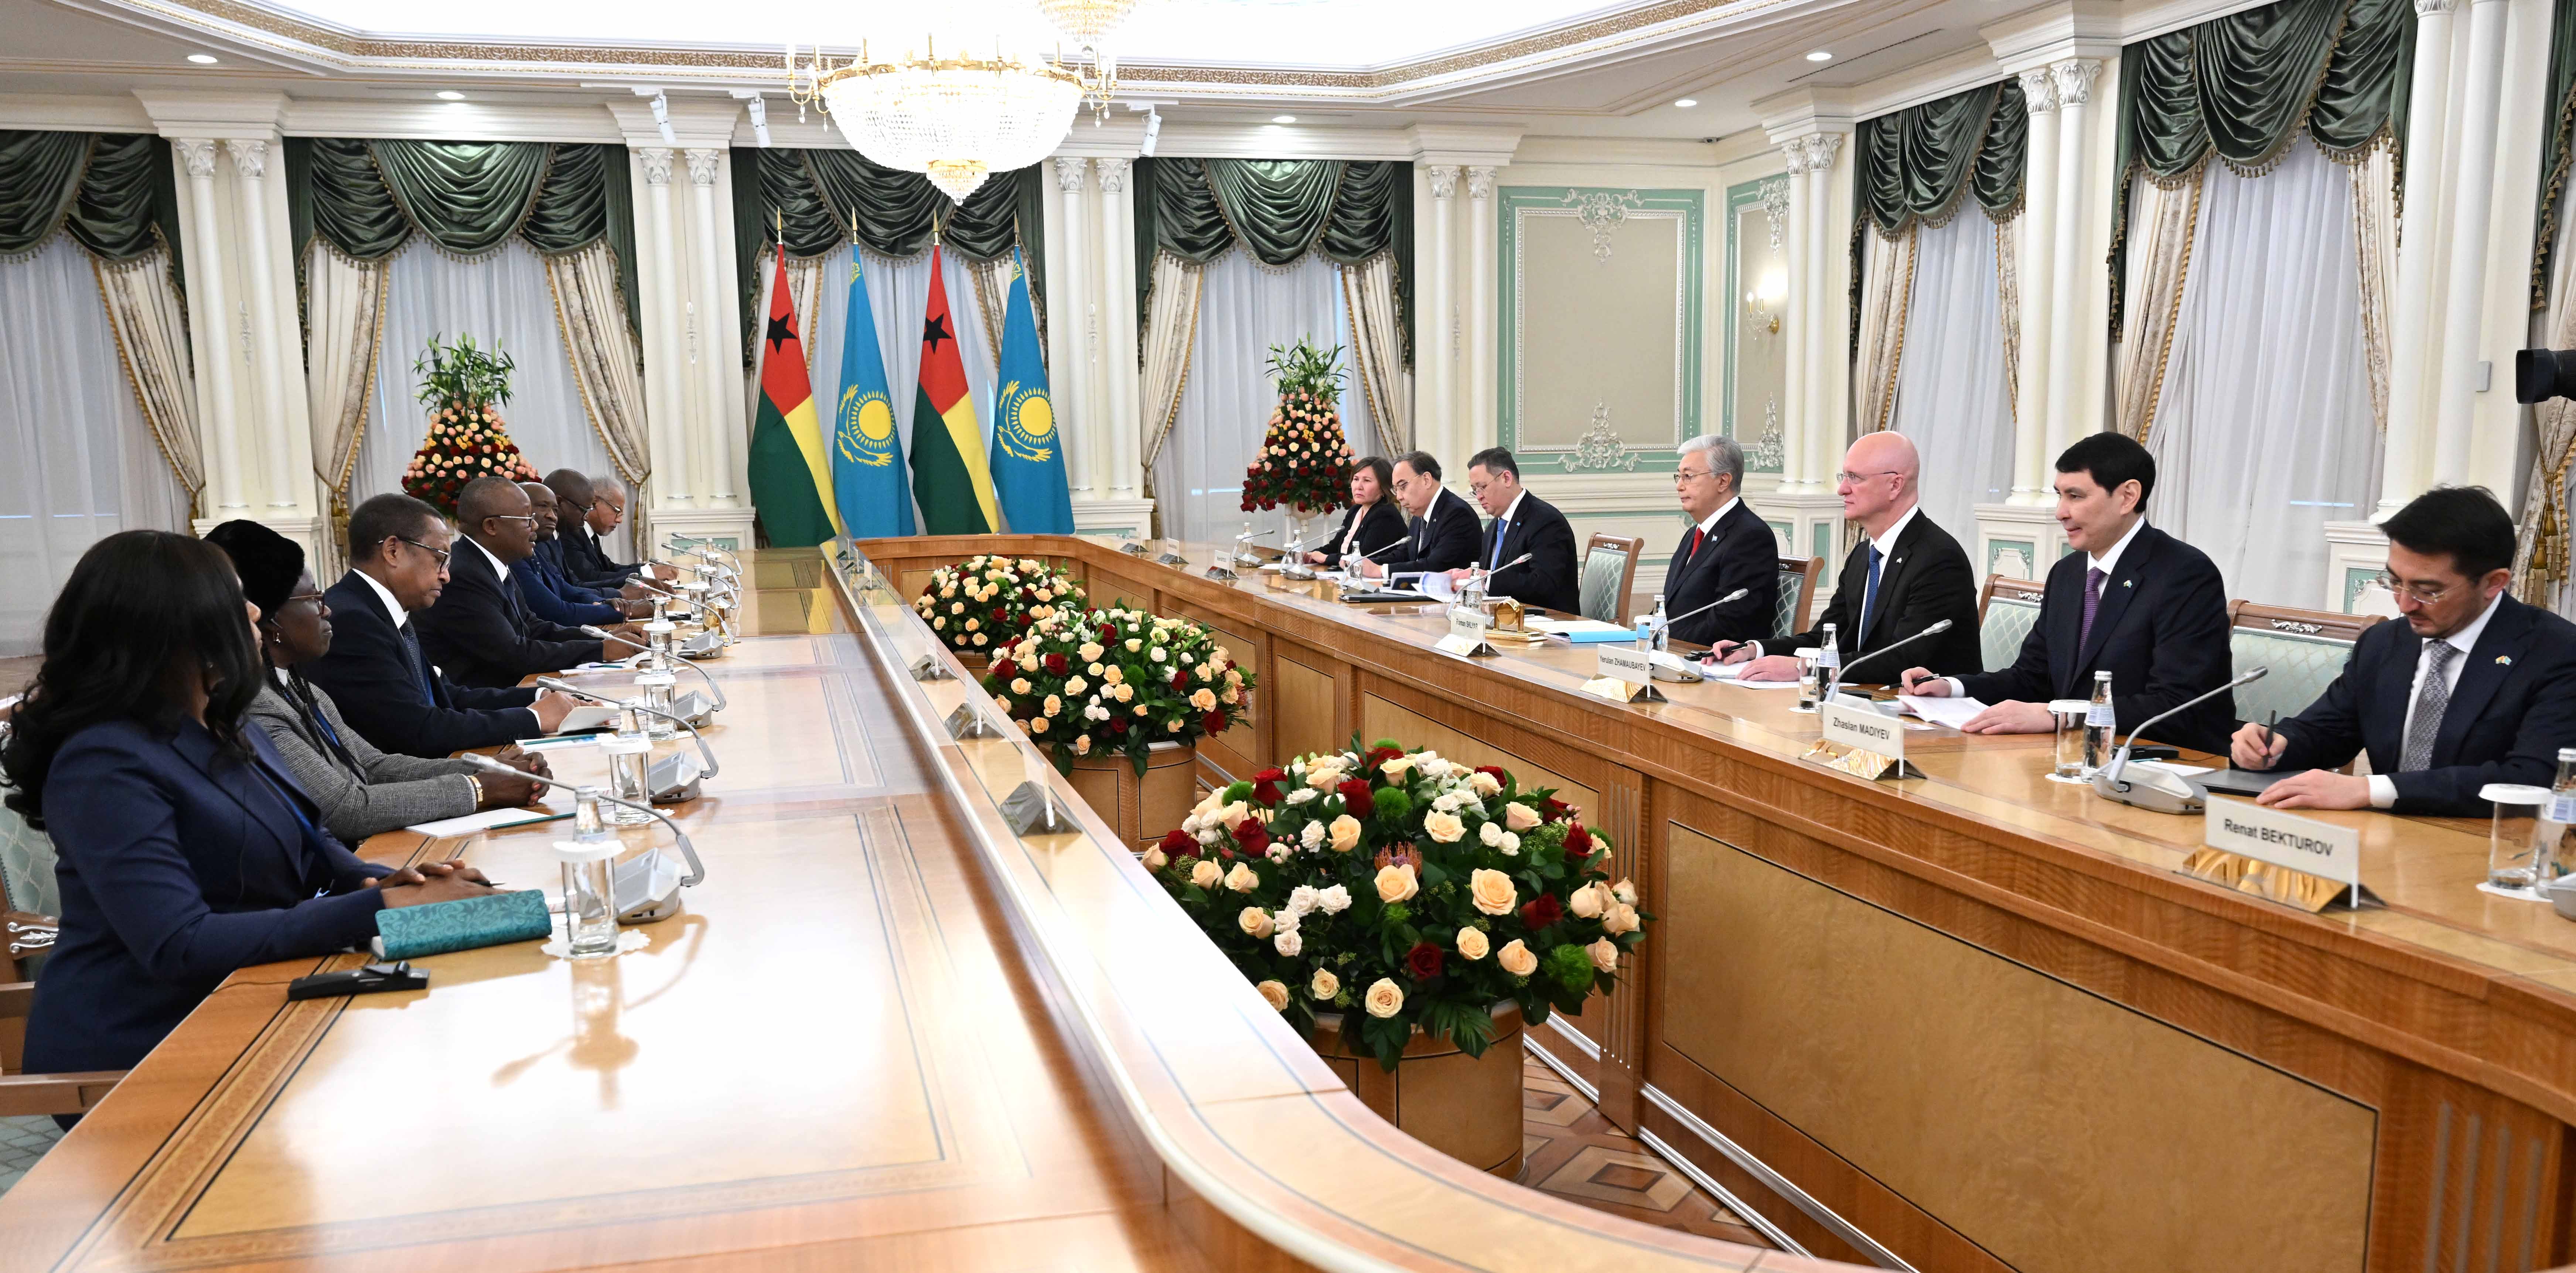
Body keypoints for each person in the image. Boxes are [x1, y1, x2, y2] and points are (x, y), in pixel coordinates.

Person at [1, 530, 494, 1088]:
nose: (257, 609)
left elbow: (310, 833)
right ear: (177, 626)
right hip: (146, 1045)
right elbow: (180, 943)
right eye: (236, 598)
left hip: (258, 995)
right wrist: (377, 907)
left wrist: (379, 880)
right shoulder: (104, 761)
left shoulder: (226, 719)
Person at [2229, 487, 2576, 814]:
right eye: (2395, 582)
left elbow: (2532, 780)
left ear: (2493, 583)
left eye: (2428, 591)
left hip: (2492, 841)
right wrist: (2274, 745)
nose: (2405, 604)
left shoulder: (2556, 653)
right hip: (2384, 835)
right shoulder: (2384, 642)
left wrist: (2373, 790)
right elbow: (2329, 732)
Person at [205, 520, 553, 843]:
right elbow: (344, 809)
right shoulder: (257, 704)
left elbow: (373, 765)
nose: (327, 610)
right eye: (315, 600)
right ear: (271, 621)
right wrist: (480, 788)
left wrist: (488, 768)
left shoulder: (301, 688)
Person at [1901, 433, 2234, 753]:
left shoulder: (2184, 574)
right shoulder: (2068, 573)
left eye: (2075, 496)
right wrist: (1951, 687)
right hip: (2069, 754)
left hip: (2162, 760)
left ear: (2128, 497)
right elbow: (2032, 678)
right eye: (2059, 495)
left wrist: (2057, 715)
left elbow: (2177, 706)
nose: (2061, 512)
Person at [304, 493, 579, 758]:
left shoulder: (379, 608)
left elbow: (445, 695)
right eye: (439, 559)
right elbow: (419, 729)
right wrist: (534, 718)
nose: (446, 576)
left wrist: (541, 696)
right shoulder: (353, 621)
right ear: (393, 551)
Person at [1717, 431, 1980, 679]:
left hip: (1922, 705)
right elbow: (1825, 639)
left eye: (1854, 478)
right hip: (1864, 698)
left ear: (1895, 485)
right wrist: (1754, 649)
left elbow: (1903, 660)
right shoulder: (1862, 555)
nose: (1842, 489)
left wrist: (1805, 668)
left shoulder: (1939, 559)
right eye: (1843, 477)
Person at [415, 476, 611, 688]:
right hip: (484, 698)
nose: (535, 525)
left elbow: (532, 626)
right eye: (527, 519)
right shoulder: (464, 575)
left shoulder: (494, 563)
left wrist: (604, 638)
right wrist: (599, 650)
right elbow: (514, 654)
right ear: (492, 526)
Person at [1661, 434, 1776, 647]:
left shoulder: (1750, 537)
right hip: (1676, 652)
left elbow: (1729, 624)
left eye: (1689, 476)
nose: (1680, 486)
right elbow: (1672, 609)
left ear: (1723, 481)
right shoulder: (1695, 532)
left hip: (1712, 658)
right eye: (1679, 477)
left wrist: (1665, 639)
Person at [1444, 447, 1580, 614]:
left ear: (1506, 479)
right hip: (1502, 618)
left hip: (1549, 622)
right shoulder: (1494, 526)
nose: (1479, 496)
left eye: (1482, 487)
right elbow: (1490, 580)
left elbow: (1544, 585)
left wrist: (1485, 579)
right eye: (1475, 490)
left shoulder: (1546, 521)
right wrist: (1467, 579)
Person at [516, 481, 648, 627]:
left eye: (555, 510)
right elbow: (557, 612)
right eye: (542, 507)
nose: (553, 516)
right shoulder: (518, 558)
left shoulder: (536, 549)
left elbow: (565, 589)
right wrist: (621, 610)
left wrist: (605, 603)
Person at [1351, 451, 1481, 580]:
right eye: (1396, 489)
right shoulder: (1420, 515)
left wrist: (1381, 571)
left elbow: (1436, 566)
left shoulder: (1457, 514)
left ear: (1427, 480)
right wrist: (1364, 563)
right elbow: (1403, 555)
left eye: (1403, 486)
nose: (1399, 497)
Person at [542, 469, 665, 594]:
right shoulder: (564, 536)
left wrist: (646, 571)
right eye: (617, 511)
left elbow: (608, 569)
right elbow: (586, 580)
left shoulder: (583, 536)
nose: (620, 520)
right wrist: (625, 591)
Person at [1306, 456, 1408, 570]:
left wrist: (1326, 558)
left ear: (1383, 487)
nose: (1359, 487)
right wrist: (1310, 555)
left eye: (1367, 481)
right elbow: (1335, 546)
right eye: (1356, 479)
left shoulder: (1385, 515)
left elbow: (1363, 558)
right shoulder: (1355, 510)